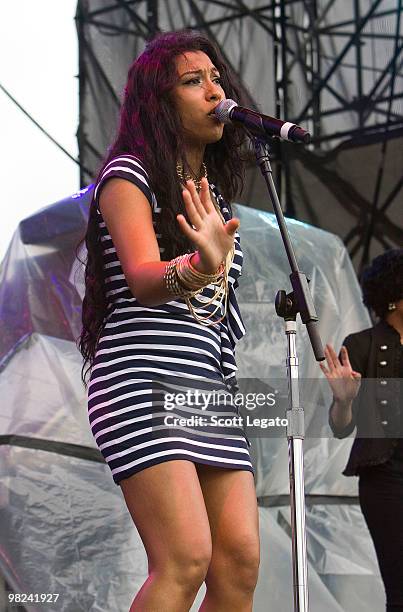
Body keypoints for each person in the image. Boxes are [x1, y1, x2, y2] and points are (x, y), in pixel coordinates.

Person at [78, 30, 260, 612]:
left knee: (239, 565)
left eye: (216, 79)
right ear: (160, 102)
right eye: (193, 81)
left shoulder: (219, 203)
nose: (214, 90)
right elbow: (143, 276)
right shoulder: (127, 177)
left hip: (207, 389)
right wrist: (199, 263)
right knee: (184, 559)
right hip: (142, 381)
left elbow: (214, 319)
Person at [320, 249, 403, 612]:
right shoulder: (362, 346)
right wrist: (344, 400)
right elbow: (341, 427)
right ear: (395, 298)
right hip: (387, 478)